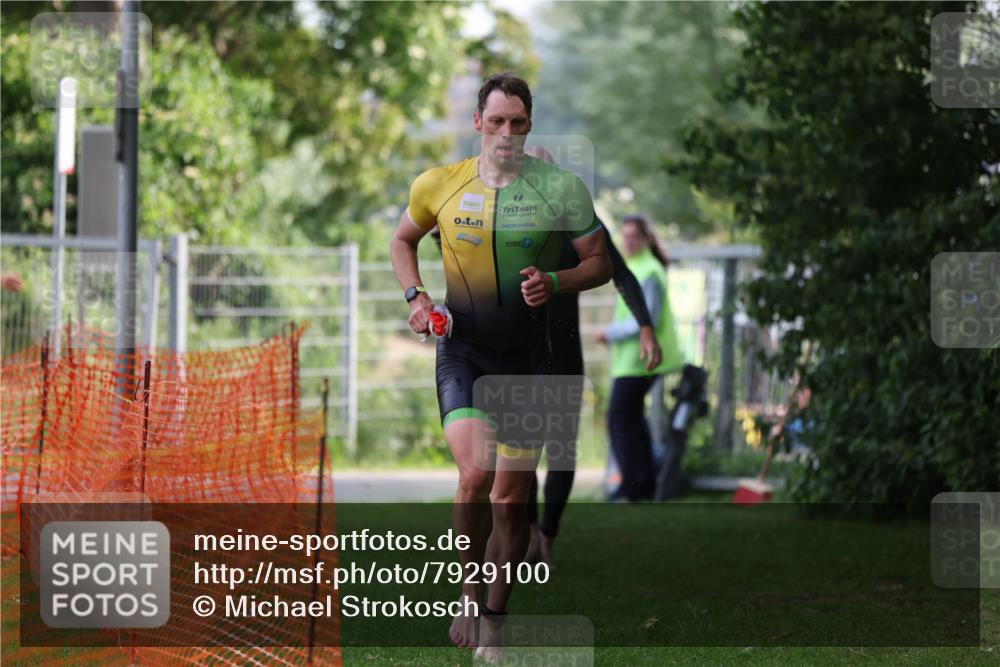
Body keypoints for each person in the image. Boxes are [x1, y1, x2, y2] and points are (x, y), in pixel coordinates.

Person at [389, 72, 612, 660]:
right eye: (496, 122)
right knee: (474, 474)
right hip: (463, 348)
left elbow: (601, 262)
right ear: (477, 124)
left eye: (517, 122)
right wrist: (417, 299)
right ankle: (469, 588)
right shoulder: (439, 185)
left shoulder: (560, 190)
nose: (506, 134)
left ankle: (496, 613)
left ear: (529, 124)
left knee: (511, 500)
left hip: (529, 359)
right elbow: (402, 242)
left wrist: (557, 280)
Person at [518, 146, 662, 567]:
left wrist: (647, 327)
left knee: (561, 449)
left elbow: (621, 273)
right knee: (521, 452)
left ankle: (547, 533)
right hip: (522, 354)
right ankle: (527, 530)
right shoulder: (507, 221)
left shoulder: (576, 221)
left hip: (563, 350)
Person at [596, 214, 682, 501]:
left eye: (635, 235)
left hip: (641, 359)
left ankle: (631, 486)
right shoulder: (636, 267)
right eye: (626, 235)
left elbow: (647, 321)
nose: (629, 241)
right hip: (633, 359)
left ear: (647, 239)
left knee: (618, 420)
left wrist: (609, 333)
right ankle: (642, 485)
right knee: (631, 419)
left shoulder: (648, 271)